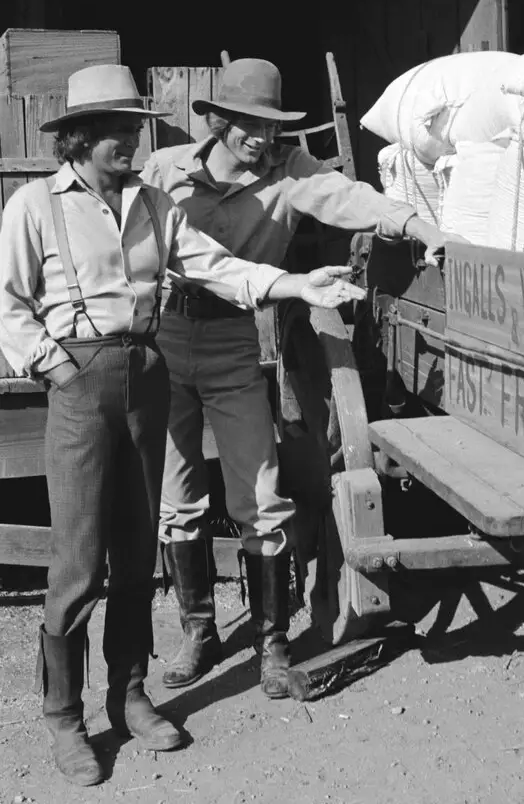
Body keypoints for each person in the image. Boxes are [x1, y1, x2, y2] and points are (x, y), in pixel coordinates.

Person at [0, 64, 366, 788]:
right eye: (116, 131)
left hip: (146, 375)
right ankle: (65, 718)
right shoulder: (35, 207)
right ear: (79, 137)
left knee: (139, 552)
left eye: (134, 129)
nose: (131, 142)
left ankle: (129, 694)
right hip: (78, 384)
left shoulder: (152, 205)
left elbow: (218, 267)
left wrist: (296, 283)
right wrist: (55, 367)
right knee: (78, 562)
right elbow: (8, 303)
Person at [140, 57, 462, 701]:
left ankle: (271, 645)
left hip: (236, 340)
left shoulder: (291, 174)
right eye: (249, 126)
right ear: (221, 120)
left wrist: (419, 225)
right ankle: (199, 632)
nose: (261, 139)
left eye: (271, 127)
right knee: (176, 498)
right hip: (167, 338)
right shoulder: (164, 170)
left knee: (257, 491)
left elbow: (354, 200)